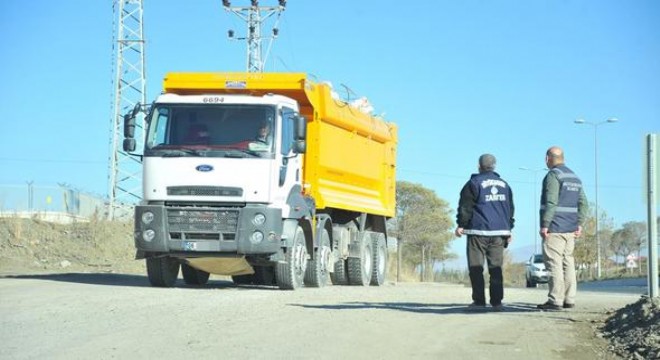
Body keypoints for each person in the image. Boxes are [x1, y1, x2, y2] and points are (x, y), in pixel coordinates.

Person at [455, 154, 515, 311]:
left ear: (478, 166)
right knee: (496, 268)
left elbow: (465, 206)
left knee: (476, 268)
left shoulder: (473, 183)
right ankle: (497, 302)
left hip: (478, 232)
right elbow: (510, 208)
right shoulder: (505, 185)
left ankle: (479, 301)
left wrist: (461, 224)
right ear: (494, 166)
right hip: (500, 232)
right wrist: (509, 229)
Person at [537, 146, 588, 311]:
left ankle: (555, 300)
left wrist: (545, 224)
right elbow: (584, 204)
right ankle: (569, 298)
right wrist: (579, 223)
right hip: (570, 229)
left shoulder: (553, 175)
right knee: (568, 263)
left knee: (554, 264)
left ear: (547, 159)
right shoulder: (575, 177)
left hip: (555, 227)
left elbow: (551, 202)